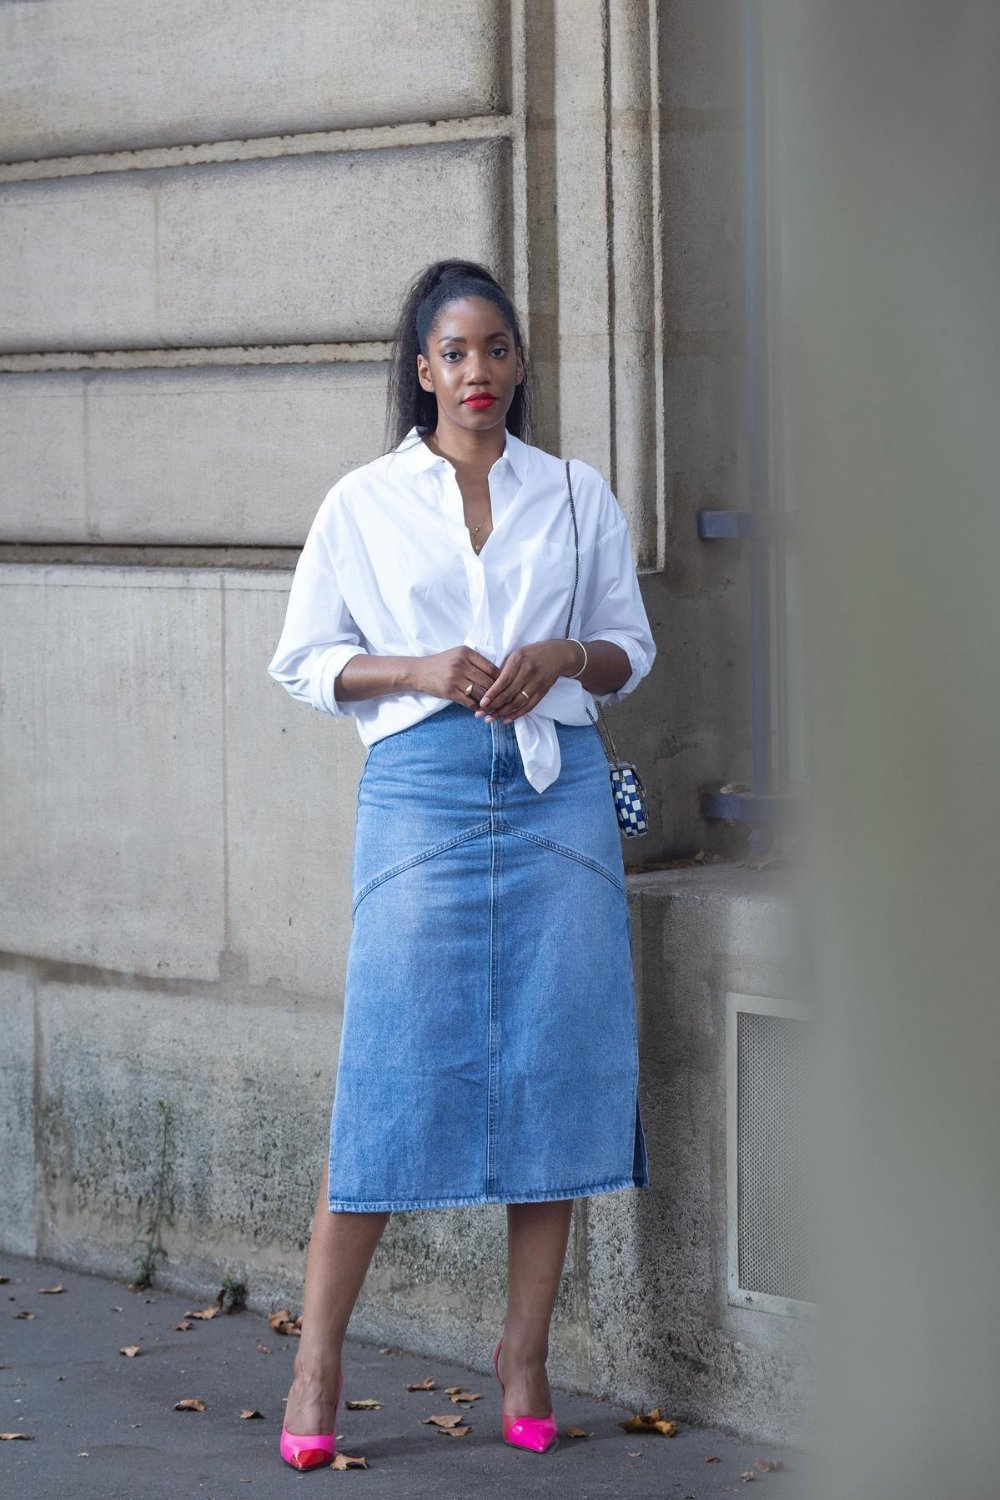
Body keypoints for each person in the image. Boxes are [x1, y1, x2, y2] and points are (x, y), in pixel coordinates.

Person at [266, 258, 656, 1468]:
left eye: (495, 349)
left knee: (556, 1067)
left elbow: (630, 648)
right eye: (452, 353)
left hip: (558, 798)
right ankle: (319, 1357)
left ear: (520, 365)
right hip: (424, 792)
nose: (475, 372)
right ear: (420, 369)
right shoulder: (363, 502)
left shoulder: (577, 494)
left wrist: (562, 653)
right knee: (387, 1071)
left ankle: (523, 1354)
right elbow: (304, 659)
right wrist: (423, 669)